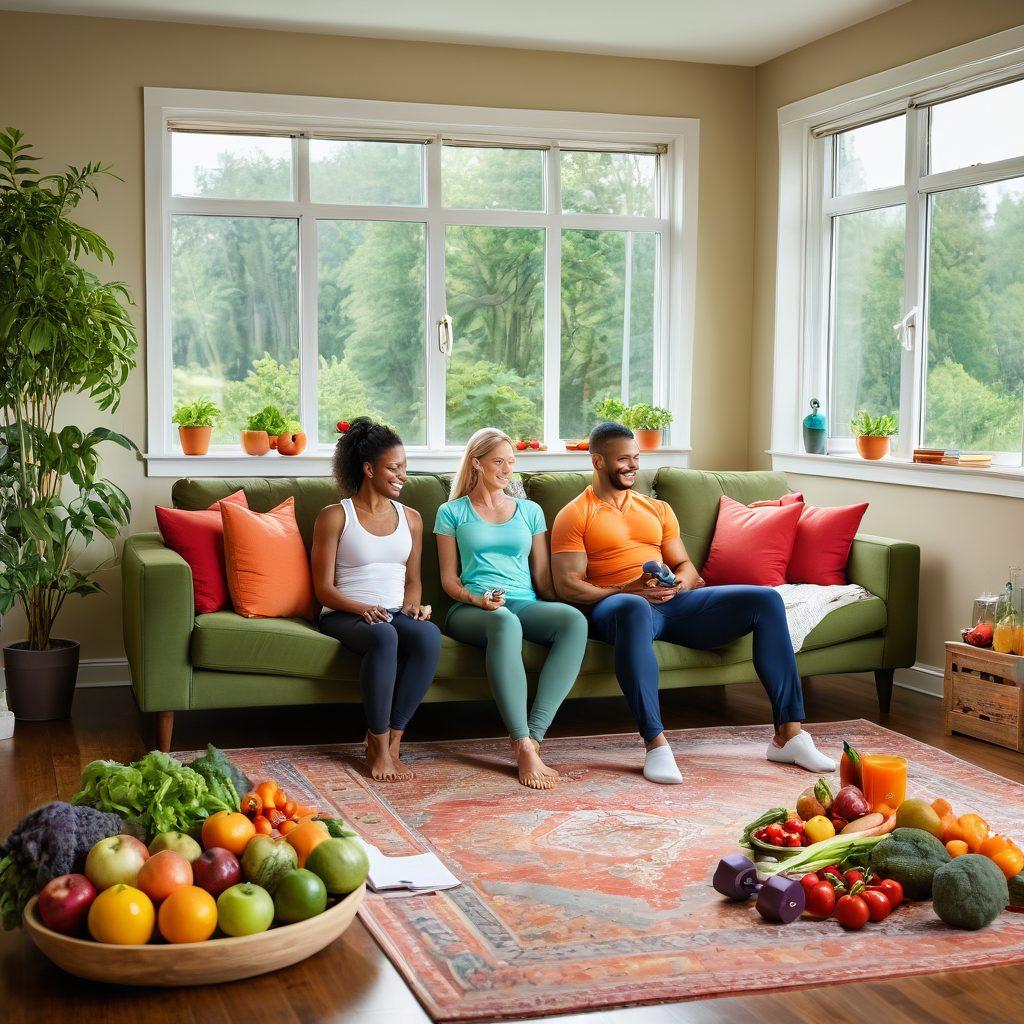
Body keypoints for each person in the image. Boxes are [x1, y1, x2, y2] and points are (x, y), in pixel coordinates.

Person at [550, 421, 835, 785]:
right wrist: (629, 589)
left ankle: (789, 736)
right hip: (620, 607)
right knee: (634, 609)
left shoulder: (657, 509)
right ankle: (656, 744)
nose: (633, 466)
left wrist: (677, 583)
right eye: (623, 459)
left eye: (636, 457)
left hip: (672, 604)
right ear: (598, 461)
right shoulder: (576, 514)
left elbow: (686, 566)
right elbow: (568, 586)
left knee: (765, 599)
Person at [435, 428, 589, 790]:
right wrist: (477, 599)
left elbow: (542, 580)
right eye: (498, 462)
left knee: (574, 621)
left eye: (511, 462)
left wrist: (581, 598)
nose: (507, 469)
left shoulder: (531, 511)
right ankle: (519, 742)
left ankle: (534, 737)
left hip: (523, 601)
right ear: (476, 463)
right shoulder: (451, 512)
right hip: (472, 607)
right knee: (504, 622)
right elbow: (448, 580)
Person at [311, 418, 442, 783]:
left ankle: (394, 739)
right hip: (344, 613)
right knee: (385, 636)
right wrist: (362, 608)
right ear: (369, 469)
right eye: (393, 468)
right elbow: (323, 589)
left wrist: (414, 606)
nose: (402, 476)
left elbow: (413, 581)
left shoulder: (411, 519)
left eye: (405, 468)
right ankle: (378, 743)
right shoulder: (335, 516)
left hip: (392, 612)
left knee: (428, 636)